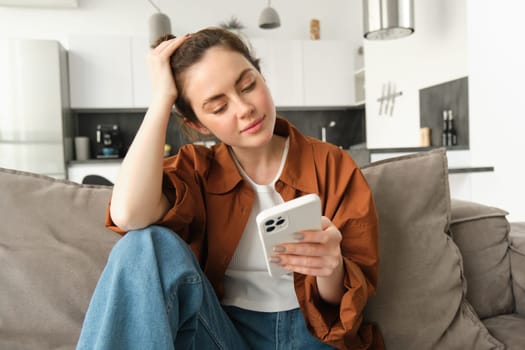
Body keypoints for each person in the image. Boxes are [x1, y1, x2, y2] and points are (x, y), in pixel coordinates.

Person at [77, 27, 382, 350]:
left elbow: (345, 306)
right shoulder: (196, 170)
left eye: (248, 85)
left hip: (314, 336)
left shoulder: (332, 164)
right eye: (218, 107)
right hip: (225, 336)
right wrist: (161, 98)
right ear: (197, 123)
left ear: (261, 75)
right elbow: (128, 215)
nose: (244, 108)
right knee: (145, 243)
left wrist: (330, 267)